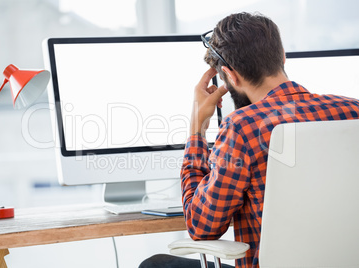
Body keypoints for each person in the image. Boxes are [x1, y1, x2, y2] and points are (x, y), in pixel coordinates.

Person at [139, 12, 359, 268]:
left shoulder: (242, 128)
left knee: (156, 265)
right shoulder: (354, 111)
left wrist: (196, 128)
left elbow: (201, 226)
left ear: (231, 77)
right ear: (283, 56)